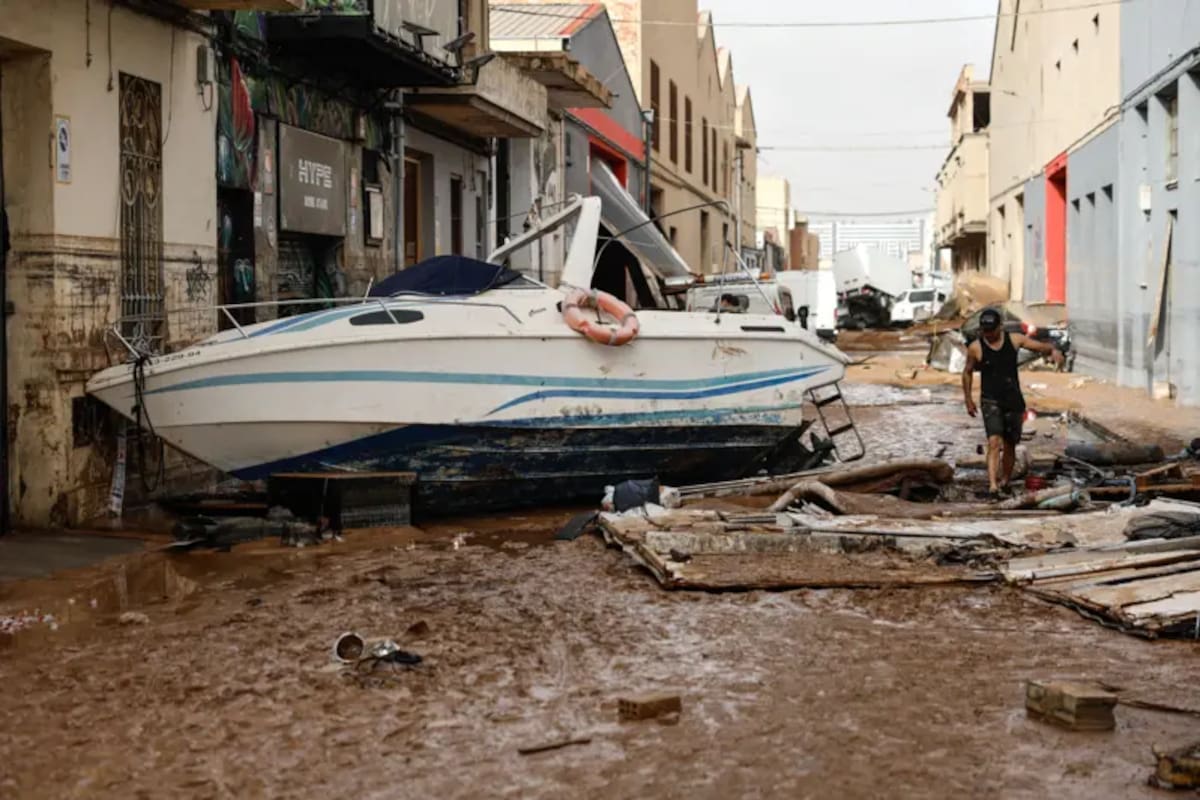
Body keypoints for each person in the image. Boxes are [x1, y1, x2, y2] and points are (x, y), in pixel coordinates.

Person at [962, 307, 1064, 499]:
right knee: (993, 442)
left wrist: (1053, 350)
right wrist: (968, 399)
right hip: (990, 400)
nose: (988, 335)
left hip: (1013, 400)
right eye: (985, 331)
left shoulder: (1015, 340)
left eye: (991, 330)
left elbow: (1039, 346)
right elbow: (967, 372)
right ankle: (993, 485)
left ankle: (1005, 482)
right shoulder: (975, 347)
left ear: (1000, 327)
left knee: (1010, 444)